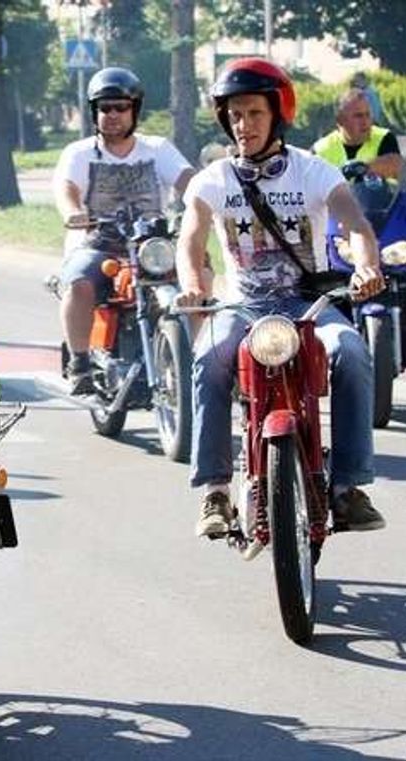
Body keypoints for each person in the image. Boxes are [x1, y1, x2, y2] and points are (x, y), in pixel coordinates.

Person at [174, 57, 388, 537]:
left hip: (306, 305)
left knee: (352, 353)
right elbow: (191, 237)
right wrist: (192, 283)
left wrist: (367, 265)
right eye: (234, 115)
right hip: (242, 307)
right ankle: (214, 490)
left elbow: (354, 224)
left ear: (276, 113)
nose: (242, 125)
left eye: (253, 113)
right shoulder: (214, 180)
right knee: (207, 357)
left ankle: (348, 488)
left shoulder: (313, 171)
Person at [52, 67, 195, 395]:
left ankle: (207, 356)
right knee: (78, 283)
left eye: (121, 107)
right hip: (99, 244)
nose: (113, 115)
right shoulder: (79, 153)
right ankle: (80, 363)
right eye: (105, 108)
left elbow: (189, 181)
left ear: (135, 110)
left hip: (151, 245)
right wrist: (73, 211)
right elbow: (67, 187)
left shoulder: (157, 149)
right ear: (94, 112)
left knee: (199, 272)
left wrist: (204, 202)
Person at [312, 88, 403, 182]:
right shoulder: (320, 150)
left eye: (368, 115)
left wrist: (361, 168)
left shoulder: (384, 137)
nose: (365, 121)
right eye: (358, 116)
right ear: (340, 120)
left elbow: (395, 164)